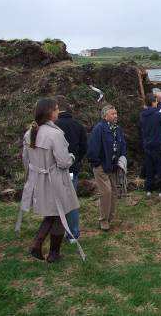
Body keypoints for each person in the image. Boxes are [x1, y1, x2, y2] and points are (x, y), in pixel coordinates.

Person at [20, 98, 81, 262]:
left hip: (39, 180)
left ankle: (41, 247)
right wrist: (72, 157)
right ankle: (51, 252)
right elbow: (63, 162)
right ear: (49, 112)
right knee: (59, 214)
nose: (57, 111)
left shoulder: (30, 133)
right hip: (55, 181)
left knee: (53, 214)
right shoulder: (55, 134)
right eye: (56, 109)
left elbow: (26, 160)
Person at [87, 104, 127, 231]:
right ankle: (103, 220)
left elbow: (122, 145)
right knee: (106, 192)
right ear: (105, 116)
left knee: (114, 192)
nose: (116, 116)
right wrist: (97, 163)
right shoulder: (99, 129)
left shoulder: (117, 129)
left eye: (116, 113)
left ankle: (110, 217)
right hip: (101, 167)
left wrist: (122, 158)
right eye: (112, 114)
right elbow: (92, 148)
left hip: (113, 167)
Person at [55, 96, 87, 243]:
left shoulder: (53, 126)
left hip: (55, 170)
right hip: (72, 169)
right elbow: (84, 148)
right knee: (71, 202)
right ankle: (73, 234)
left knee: (56, 202)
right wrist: (76, 160)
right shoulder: (78, 125)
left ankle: (57, 232)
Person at [139, 93, 161, 197]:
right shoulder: (158, 114)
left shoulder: (142, 115)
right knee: (160, 167)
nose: (157, 103)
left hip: (147, 143)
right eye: (156, 101)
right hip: (158, 143)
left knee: (149, 166)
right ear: (153, 102)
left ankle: (149, 189)